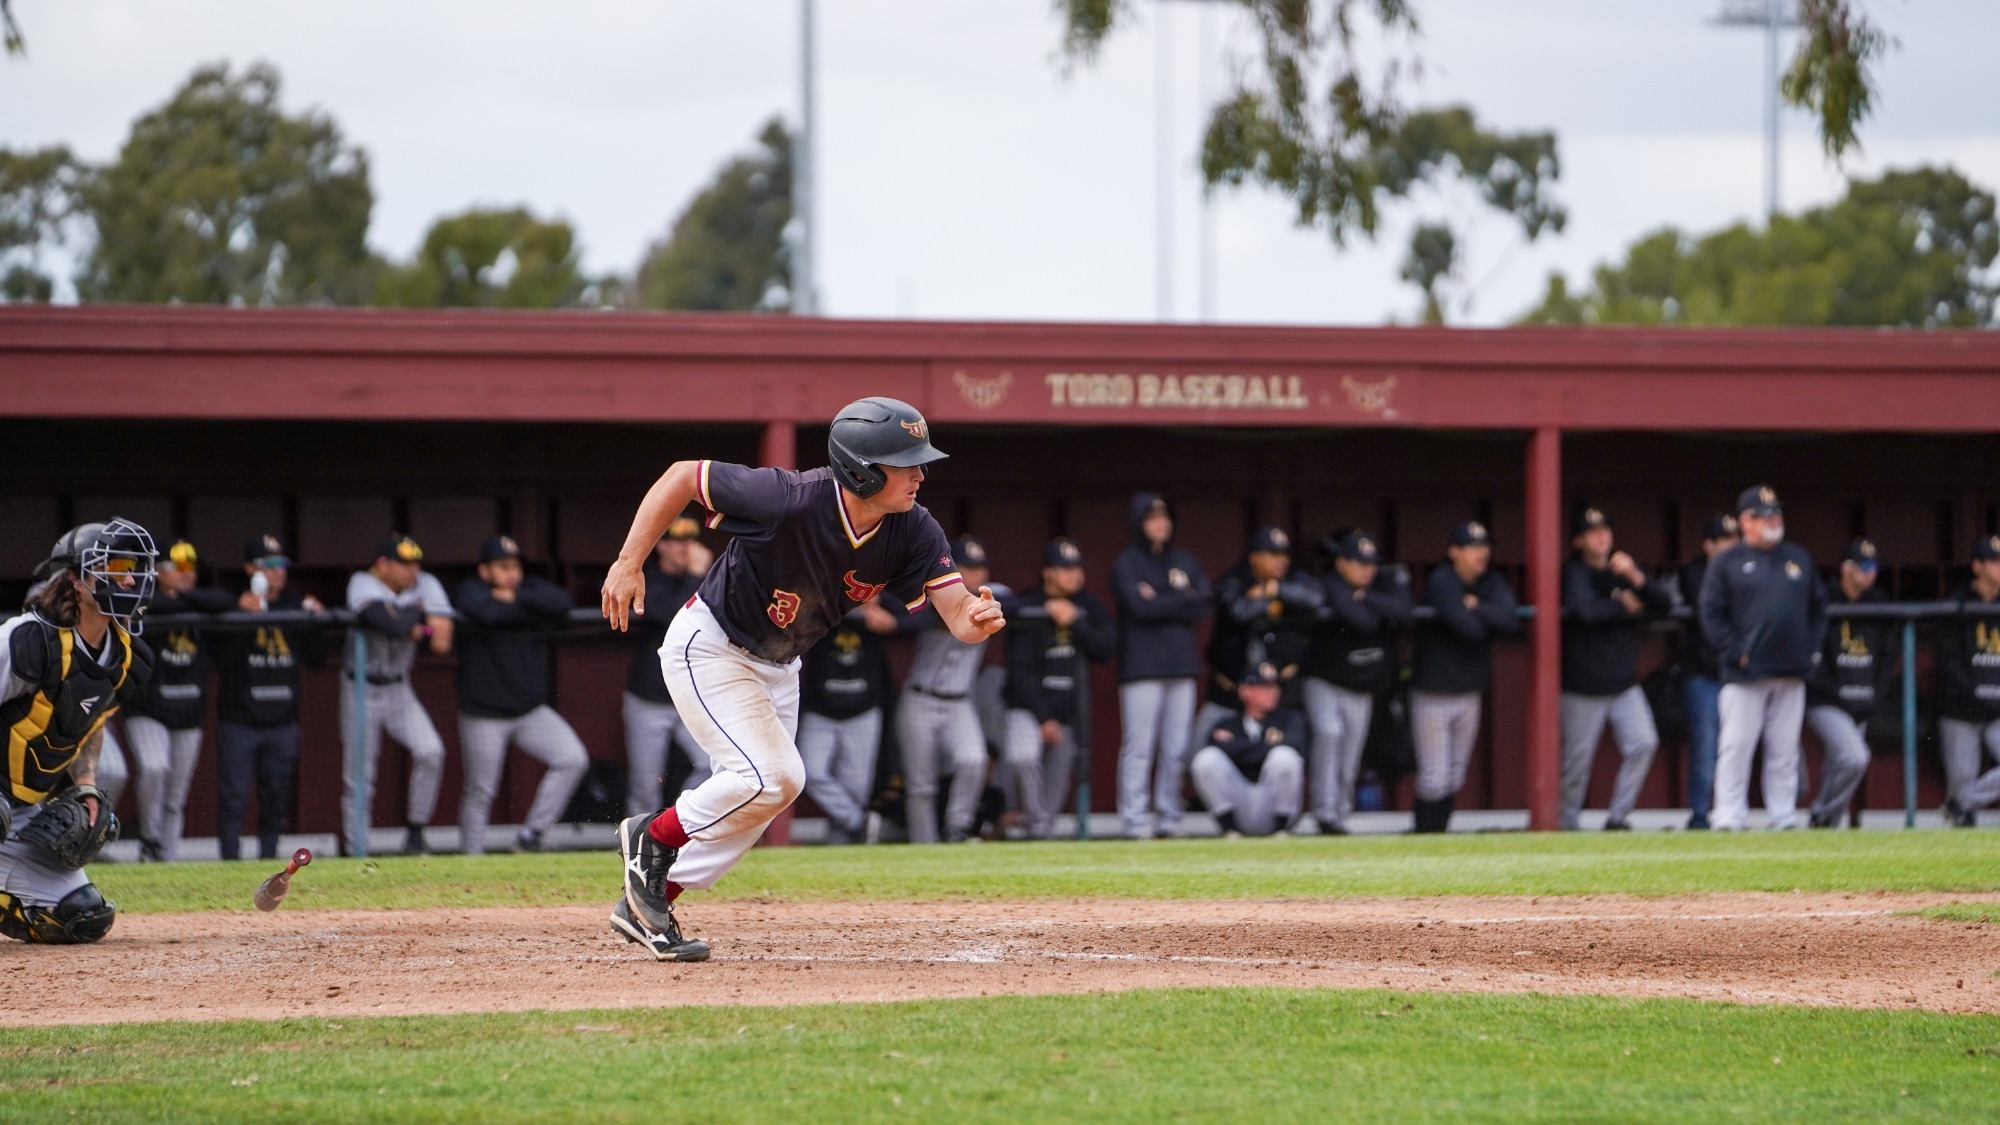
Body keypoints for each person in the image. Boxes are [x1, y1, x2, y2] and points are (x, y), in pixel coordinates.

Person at [601, 397, 1005, 961]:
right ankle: (653, 837)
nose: (920, 473)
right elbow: (681, 477)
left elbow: (959, 616)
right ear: (860, 467)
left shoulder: (914, 529)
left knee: (772, 790)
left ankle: (648, 898)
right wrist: (628, 561)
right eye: (905, 460)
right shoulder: (787, 498)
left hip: (779, 665)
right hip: (714, 645)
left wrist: (977, 620)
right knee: (770, 776)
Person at [0, 521, 155, 944]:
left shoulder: (124, 657)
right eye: (116, 566)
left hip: (22, 808)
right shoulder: (28, 640)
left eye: (135, 567)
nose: (128, 578)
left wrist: (86, 785)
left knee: (82, 917)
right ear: (75, 580)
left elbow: (90, 723)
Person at [1698, 485, 1828, 831]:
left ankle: (1782, 815)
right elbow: (1710, 613)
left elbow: (1819, 609)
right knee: (1736, 745)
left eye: (1776, 513)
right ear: (1746, 521)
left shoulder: (1798, 557)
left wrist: (1810, 650)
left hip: (1791, 670)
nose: (1773, 520)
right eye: (1764, 514)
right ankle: (1728, 815)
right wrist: (1735, 651)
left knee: (1784, 750)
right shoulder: (1727, 561)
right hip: (1746, 673)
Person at [451, 535, 589, 855]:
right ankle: (470, 860)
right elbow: (484, 612)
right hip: (483, 714)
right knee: (481, 789)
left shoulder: (529, 589)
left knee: (571, 758)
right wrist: (519, 605)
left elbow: (561, 603)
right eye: (503, 567)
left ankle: (532, 834)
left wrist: (513, 598)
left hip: (529, 711)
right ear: (484, 571)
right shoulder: (469, 589)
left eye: (515, 567)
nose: (512, 573)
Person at [1558, 507, 1672, 831]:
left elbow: (1664, 602)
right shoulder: (1575, 571)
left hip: (1623, 682)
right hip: (1583, 685)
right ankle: (1565, 825)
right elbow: (1585, 611)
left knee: (1644, 742)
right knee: (1575, 765)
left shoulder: (1622, 568)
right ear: (1578, 540)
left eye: (1605, 529)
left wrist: (1636, 577)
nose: (1601, 535)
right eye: (1593, 531)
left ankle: (1617, 817)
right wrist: (1621, 603)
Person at [212, 534, 323, 862]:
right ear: (250, 569)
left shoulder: (294, 605)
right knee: (234, 797)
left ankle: (271, 860)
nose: (277, 572)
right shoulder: (233, 604)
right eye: (268, 565)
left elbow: (315, 660)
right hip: (239, 721)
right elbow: (221, 659)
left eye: (282, 564)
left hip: (282, 721)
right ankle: (229, 863)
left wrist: (314, 621)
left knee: (276, 796)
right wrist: (244, 616)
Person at [343, 534, 454, 856]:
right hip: (360, 687)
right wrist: (413, 618)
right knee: (360, 775)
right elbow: (379, 620)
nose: (412, 570)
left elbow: (441, 641)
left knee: (431, 751)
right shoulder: (362, 582)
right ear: (383, 564)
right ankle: (356, 852)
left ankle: (415, 834)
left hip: (398, 687)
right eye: (404, 564)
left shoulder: (425, 583)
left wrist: (404, 618)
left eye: (415, 562)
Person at [121, 539, 232, 860]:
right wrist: (180, 597)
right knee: (155, 768)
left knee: (175, 796)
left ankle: (165, 859)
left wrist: (183, 594)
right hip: (147, 707)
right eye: (179, 567)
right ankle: (149, 838)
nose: (188, 574)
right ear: (157, 570)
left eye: (191, 568)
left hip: (188, 710)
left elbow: (226, 601)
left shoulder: (197, 600)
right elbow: (154, 604)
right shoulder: (143, 599)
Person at [1110, 494, 1210, 839]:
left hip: (1181, 664)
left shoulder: (1185, 560)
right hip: (1141, 667)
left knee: (1176, 747)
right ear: (1139, 522)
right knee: (1140, 745)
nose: (1160, 523)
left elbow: (1201, 605)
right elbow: (1139, 608)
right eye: (1152, 517)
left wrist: (1162, 597)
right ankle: (1136, 819)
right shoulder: (1127, 563)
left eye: (1164, 516)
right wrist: (1180, 596)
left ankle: (1169, 816)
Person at [1408, 521, 1518, 833]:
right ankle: (1425, 836)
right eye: (1472, 547)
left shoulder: (1491, 581)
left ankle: (1438, 835)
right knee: (1435, 776)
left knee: (1456, 775)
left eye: (1484, 546)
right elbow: (1467, 628)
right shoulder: (1442, 580)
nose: (1481, 553)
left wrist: (1477, 605)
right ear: (1454, 551)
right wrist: (1485, 615)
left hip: (1468, 689)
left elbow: (1510, 619)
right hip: (1433, 690)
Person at [1002, 537, 1115, 840]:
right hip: (1027, 708)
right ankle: (1035, 823)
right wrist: (1043, 718)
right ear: (1048, 572)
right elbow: (1020, 671)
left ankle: (1041, 832)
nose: (1074, 575)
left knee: (1062, 766)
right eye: (1066, 568)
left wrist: (1076, 621)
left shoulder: (1087, 604)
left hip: (1068, 710)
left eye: (1077, 568)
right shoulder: (1028, 602)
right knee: (1023, 757)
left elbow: (1106, 647)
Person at [1301, 529, 1411, 835]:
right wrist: (1373, 608)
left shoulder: (1379, 584)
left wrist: (1368, 598)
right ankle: (1324, 812)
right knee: (1329, 734)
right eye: (1359, 563)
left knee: (1350, 752)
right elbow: (1360, 619)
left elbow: (1404, 610)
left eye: (1371, 563)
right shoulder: (1330, 584)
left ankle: (1340, 814)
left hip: (1361, 685)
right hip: (1325, 678)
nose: (1367, 569)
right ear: (1341, 563)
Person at [897, 535, 1003, 844]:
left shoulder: (991, 598)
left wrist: (982, 611)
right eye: (968, 567)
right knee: (921, 785)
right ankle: (925, 845)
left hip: (959, 703)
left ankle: (958, 827)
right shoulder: (932, 596)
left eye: (980, 567)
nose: (976, 574)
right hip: (920, 698)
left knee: (973, 759)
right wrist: (947, 614)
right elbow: (902, 616)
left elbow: (1018, 603)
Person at [623, 518, 713, 818]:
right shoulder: (647, 580)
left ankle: (675, 825)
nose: (685, 548)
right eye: (676, 541)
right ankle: (638, 847)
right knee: (645, 786)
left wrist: (700, 576)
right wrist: (697, 575)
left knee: (714, 765)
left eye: (690, 540)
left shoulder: (706, 581)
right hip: (649, 698)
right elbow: (672, 615)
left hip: (691, 698)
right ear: (661, 545)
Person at [1200, 526, 1323, 740]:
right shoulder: (1235, 579)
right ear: (1254, 557)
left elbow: (1317, 602)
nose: (1281, 561)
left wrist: (1273, 591)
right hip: (1230, 693)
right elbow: (1239, 612)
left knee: (1286, 759)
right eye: (1273, 555)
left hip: (1282, 695)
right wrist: (1271, 603)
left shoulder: (1294, 579)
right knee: (1200, 758)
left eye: (1284, 554)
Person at [1804, 538, 1894, 828]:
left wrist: (1874, 694)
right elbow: (1813, 658)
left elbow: (1887, 656)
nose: (1870, 572)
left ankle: (1826, 824)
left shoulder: (1878, 602)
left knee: (1840, 762)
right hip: (1824, 700)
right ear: (1846, 569)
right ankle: (1823, 813)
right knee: (1854, 757)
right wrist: (1838, 692)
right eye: (1864, 566)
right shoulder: (1823, 598)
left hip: (1862, 698)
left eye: (1874, 566)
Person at [799, 595, 897, 845]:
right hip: (821, 709)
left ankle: (842, 845)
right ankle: (858, 822)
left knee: (855, 786)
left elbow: (918, 615)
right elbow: (805, 614)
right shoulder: (825, 603)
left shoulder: (883, 606)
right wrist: (856, 611)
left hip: (863, 710)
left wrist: (885, 616)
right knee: (809, 773)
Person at [1188, 661, 1307, 838]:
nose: (1273, 692)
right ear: (1245, 691)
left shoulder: (1290, 720)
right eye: (1265, 687)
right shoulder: (1227, 723)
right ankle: (1230, 829)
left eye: (1275, 686)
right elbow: (1214, 749)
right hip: (1239, 804)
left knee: (1285, 757)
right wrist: (1265, 746)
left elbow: (1297, 749)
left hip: (1273, 804)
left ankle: (1280, 829)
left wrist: (1237, 747)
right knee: (1206, 759)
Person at [1676, 514, 1740, 830]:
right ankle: (1701, 817)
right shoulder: (1696, 572)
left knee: (1740, 747)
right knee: (1705, 749)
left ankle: (1733, 814)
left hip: (1739, 675)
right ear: (1708, 545)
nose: (1731, 546)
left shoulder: (1747, 570)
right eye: (1724, 541)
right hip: (1703, 674)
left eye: (1734, 540)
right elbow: (1708, 607)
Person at [1936, 533, 2000, 826]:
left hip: (1998, 709)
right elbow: (1948, 663)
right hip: (1961, 709)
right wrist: (1978, 690)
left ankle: (1960, 802)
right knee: (1961, 783)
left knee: (1961, 801)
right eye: (1994, 561)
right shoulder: (1956, 604)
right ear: (1977, 566)